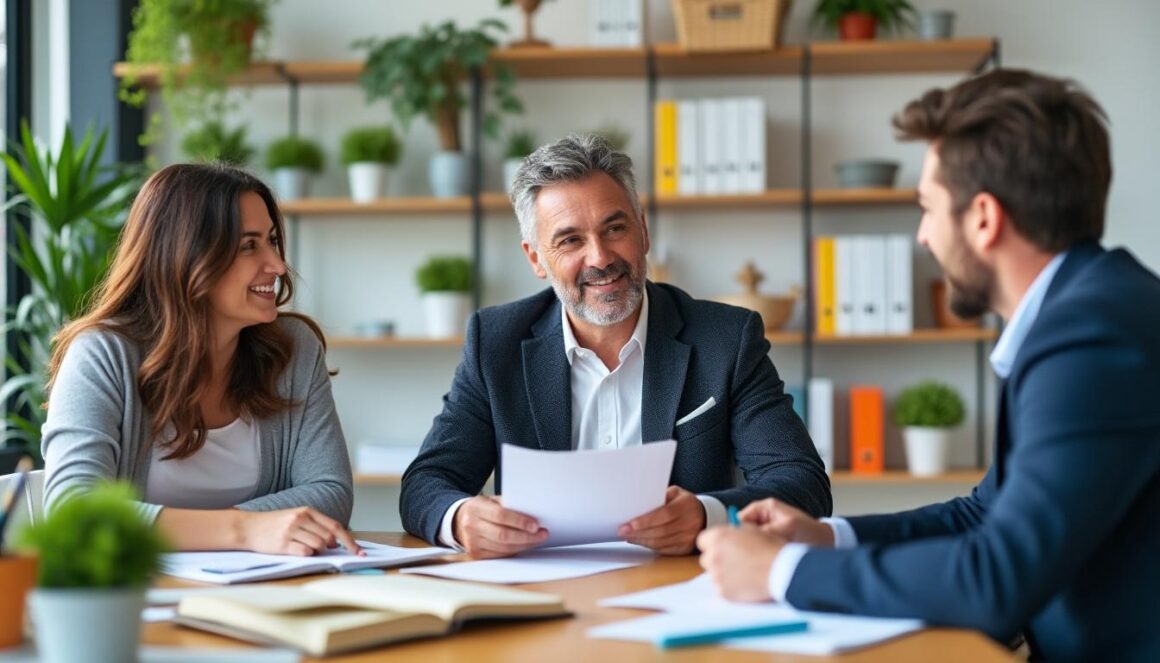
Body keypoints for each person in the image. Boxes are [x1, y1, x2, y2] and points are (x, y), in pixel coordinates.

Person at [697, 69, 1160, 660]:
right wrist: (825, 538)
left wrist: (784, 573)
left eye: (929, 207)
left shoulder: (1091, 337)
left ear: (984, 219)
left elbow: (996, 579)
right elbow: (983, 513)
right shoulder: (1087, 310)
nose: (923, 237)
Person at [401, 134, 831, 559]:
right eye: (570, 240)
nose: (601, 257)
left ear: (642, 231)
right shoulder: (495, 343)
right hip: (543, 597)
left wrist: (707, 514)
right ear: (536, 258)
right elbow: (427, 481)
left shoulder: (726, 339)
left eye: (615, 228)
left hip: (681, 589)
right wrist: (459, 519)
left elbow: (801, 481)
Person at [43, 163, 361, 556]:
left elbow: (331, 493)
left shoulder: (294, 349)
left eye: (273, 241)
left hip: (261, 597)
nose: (278, 266)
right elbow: (74, 513)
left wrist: (210, 531)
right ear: (188, 256)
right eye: (249, 246)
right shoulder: (102, 354)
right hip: (136, 602)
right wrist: (243, 530)